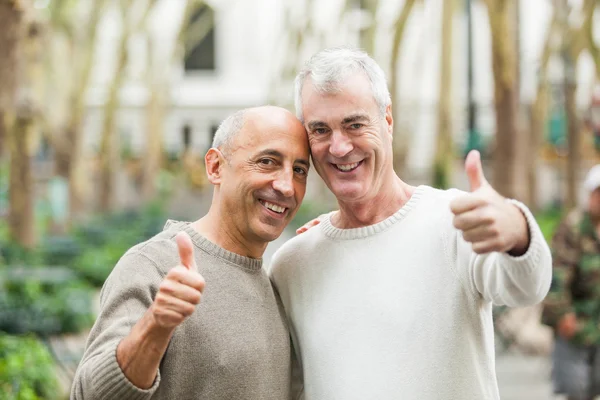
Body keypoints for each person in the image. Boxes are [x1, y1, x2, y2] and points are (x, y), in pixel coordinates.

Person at [268, 47, 552, 400]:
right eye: (320, 130)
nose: (339, 147)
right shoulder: (292, 263)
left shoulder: (454, 221)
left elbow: (527, 288)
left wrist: (517, 231)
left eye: (354, 124)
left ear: (387, 121)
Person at [71, 106, 310, 400]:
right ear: (215, 167)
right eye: (267, 162)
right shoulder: (152, 266)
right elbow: (90, 394)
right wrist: (156, 325)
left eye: (299, 170)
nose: (287, 186)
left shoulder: (279, 286)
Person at [542, 164, 600, 400]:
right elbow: (556, 275)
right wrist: (562, 313)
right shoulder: (573, 227)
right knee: (576, 387)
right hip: (576, 319)